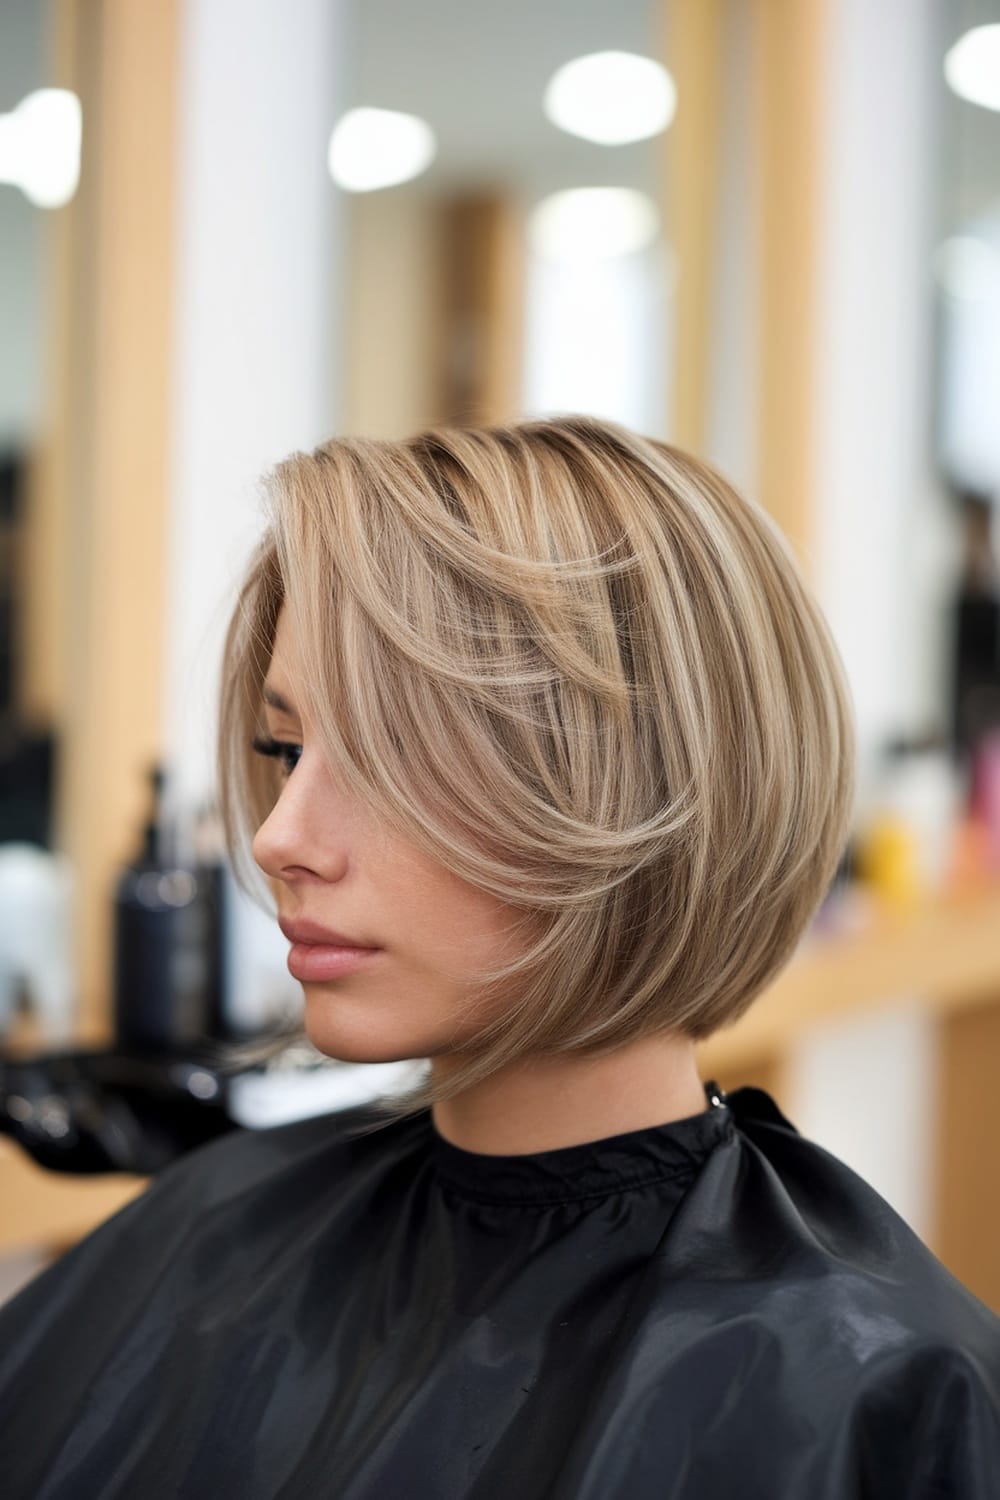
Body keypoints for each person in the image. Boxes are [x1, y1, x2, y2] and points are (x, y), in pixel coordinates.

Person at [0, 415, 997, 1498]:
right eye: (286, 750)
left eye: (392, 759)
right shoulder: (210, 1227)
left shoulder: (871, 1388)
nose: (281, 836)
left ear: (639, 792)